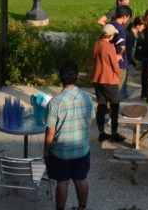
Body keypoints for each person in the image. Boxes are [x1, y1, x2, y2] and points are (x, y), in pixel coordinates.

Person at [45, 62, 95, 210]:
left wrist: (46, 150)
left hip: (61, 152)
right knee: (81, 179)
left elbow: (50, 132)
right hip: (81, 149)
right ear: (77, 77)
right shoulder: (87, 98)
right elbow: (89, 122)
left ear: (61, 79)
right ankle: (82, 207)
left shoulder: (55, 102)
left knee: (63, 182)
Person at [91, 24, 125, 143]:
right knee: (115, 105)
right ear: (111, 35)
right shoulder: (109, 47)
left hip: (97, 79)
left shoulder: (97, 44)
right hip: (109, 80)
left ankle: (101, 132)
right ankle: (114, 133)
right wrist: (117, 75)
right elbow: (115, 66)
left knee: (101, 105)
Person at [110, 7, 132, 100]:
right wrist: (119, 54)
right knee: (116, 90)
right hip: (120, 64)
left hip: (109, 61)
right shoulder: (121, 29)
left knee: (110, 87)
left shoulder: (109, 26)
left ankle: (107, 107)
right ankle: (111, 109)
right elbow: (122, 47)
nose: (128, 20)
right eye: (128, 18)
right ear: (124, 17)